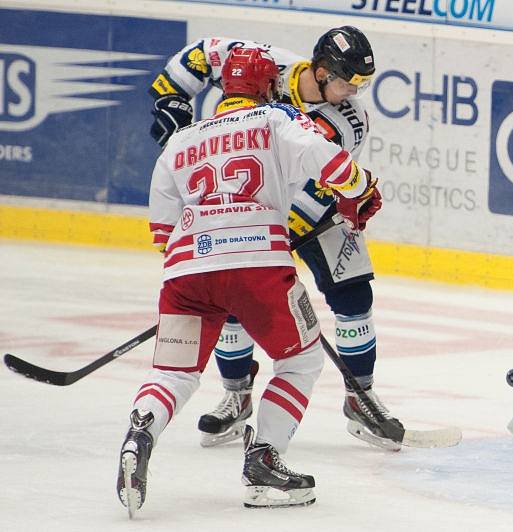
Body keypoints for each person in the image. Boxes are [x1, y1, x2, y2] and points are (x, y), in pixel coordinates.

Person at [117, 47, 381, 516]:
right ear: (267, 88)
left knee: (173, 374)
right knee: (300, 361)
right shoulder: (277, 118)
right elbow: (334, 166)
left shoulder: (182, 140)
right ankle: (263, 461)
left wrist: (205, 267)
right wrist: (362, 189)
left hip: (186, 273)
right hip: (257, 266)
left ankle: (139, 433)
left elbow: (162, 230)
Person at [148, 28, 399, 450]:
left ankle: (362, 395)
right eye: (347, 82)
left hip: (315, 208)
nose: (354, 93)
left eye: (361, 85)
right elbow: (203, 52)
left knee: (354, 294)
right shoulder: (267, 62)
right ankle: (236, 394)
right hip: (242, 203)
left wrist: (266, 243)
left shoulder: (348, 121)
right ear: (320, 72)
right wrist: (171, 96)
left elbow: (318, 190)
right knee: (232, 298)